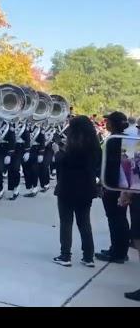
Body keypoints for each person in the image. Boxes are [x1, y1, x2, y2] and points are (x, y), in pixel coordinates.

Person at [51, 116, 101, 267]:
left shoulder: (74, 146)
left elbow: (64, 162)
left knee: (66, 222)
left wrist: (57, 151)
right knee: (84, 223)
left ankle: (65, 255)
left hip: (68, 187)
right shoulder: (95, 146)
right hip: (86, 188)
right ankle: (88, 256)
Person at [95, 111, 131, 263]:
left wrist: (101, 181)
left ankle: (117, 253)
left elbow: (108, 165)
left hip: (112, 186)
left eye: (108, 120)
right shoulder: (126, 139)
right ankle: (120, 249)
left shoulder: (114, 140)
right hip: (122, 185)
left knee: (115, 219)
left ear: (114, 123)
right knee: (120, 218)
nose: (106, 123)